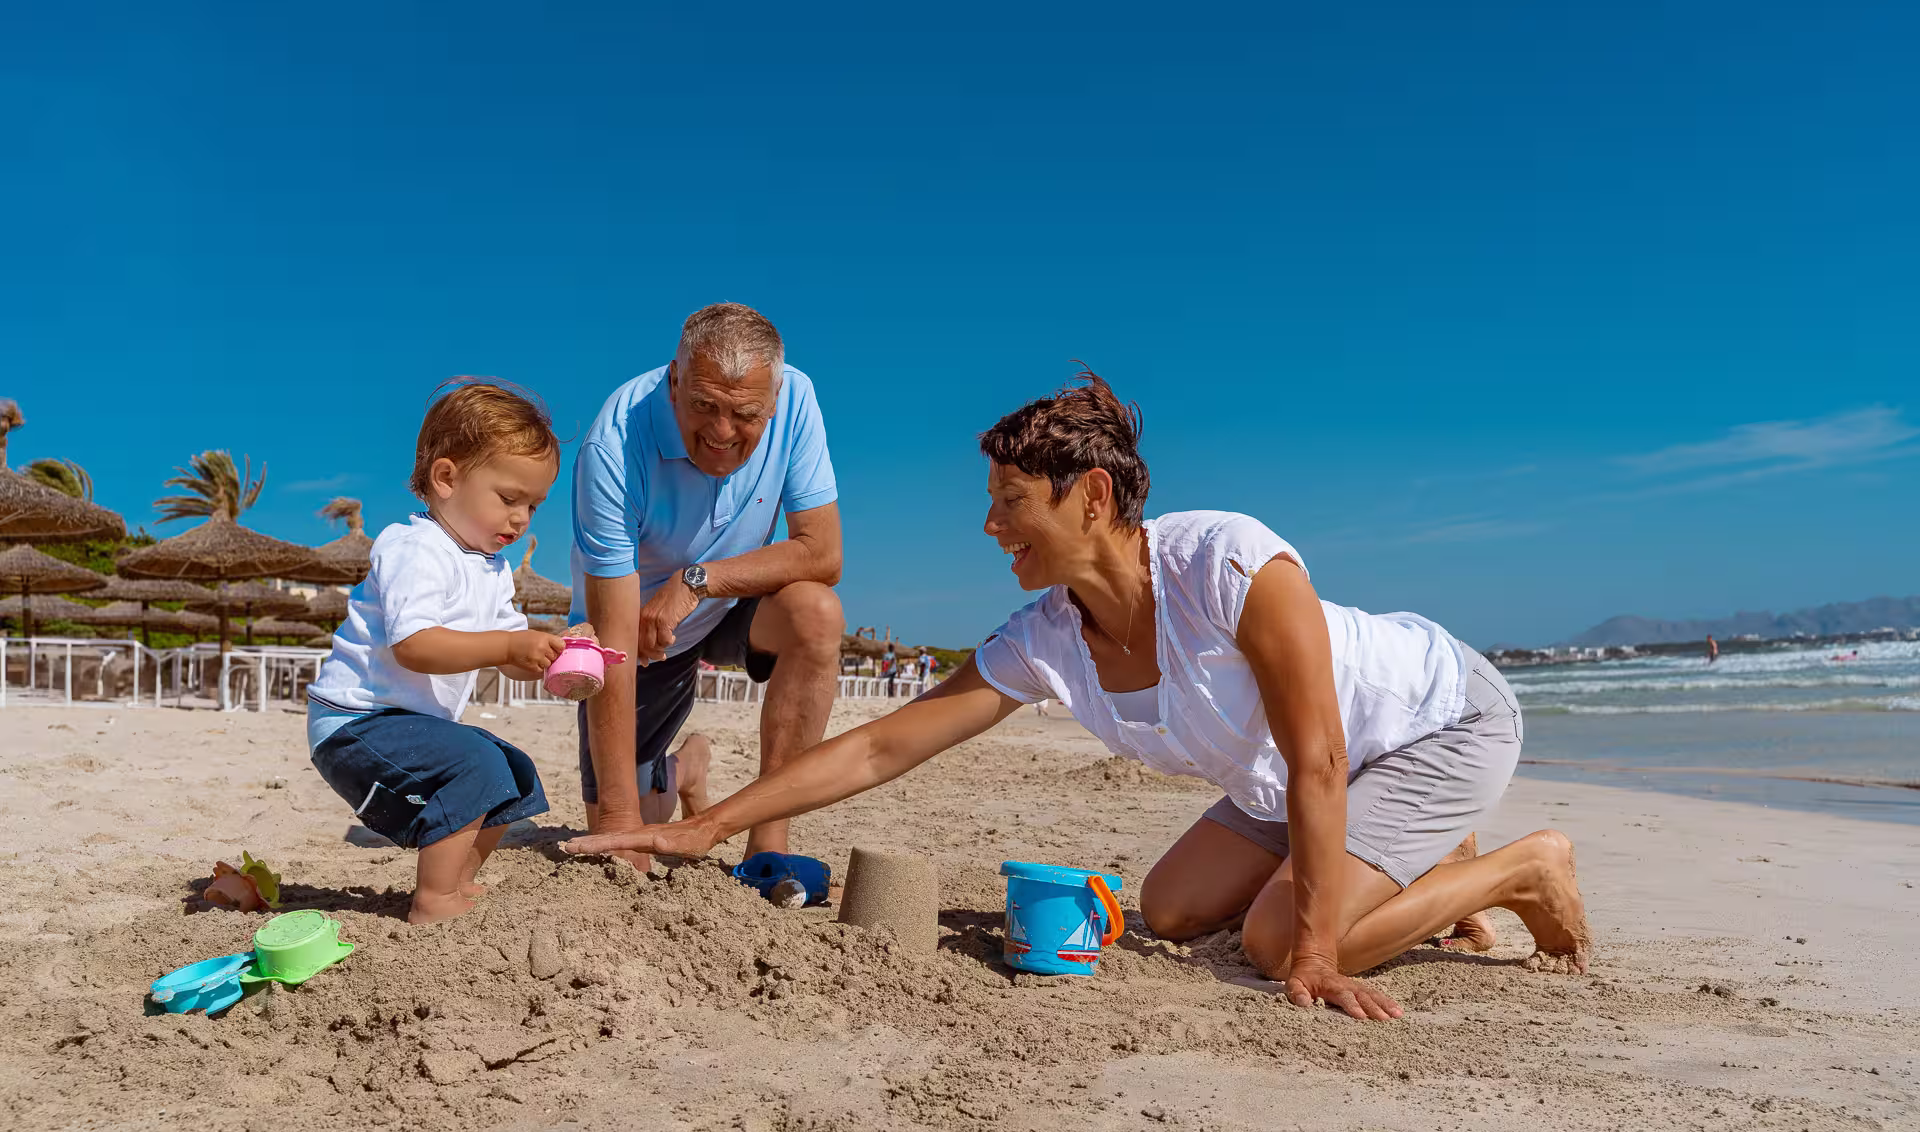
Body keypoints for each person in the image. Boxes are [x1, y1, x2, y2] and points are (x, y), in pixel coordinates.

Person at [566, 368, 1591, 1020]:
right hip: (1297, 776)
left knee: (1281, 940)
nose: (989, 526)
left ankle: (1518, 869)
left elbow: (1322, 756)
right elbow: (885, 747)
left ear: (1092, 497)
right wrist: (713, 828)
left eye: (1010, 502)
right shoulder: (1049, 635)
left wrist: (1319, 950)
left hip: (1433, 723)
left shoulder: (1229, 563)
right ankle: (1425, 858)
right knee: (1173, 909)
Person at [571, 303, 844, 866]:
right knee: (632, 827)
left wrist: (698, 581)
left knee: (816, 611)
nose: (721, 433)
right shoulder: (615, 443)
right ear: (675, 380)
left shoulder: (797, 396)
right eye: (703, 406)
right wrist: (622, 827)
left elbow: (823, 552)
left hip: (727, 602)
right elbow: (614, 642)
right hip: (639, 631)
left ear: (774, 399)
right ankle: (684, 768)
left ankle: (768, 841)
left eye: (746, 414)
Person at [308, 381, 568, 924]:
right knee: (475, 761)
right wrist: (508, 644)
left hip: (406, 725)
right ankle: (433, 899)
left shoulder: (491, 569)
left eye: (534, 505)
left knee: (514, 771)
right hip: (356, 722)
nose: (521, 519)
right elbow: (415, 647)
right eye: (508, 498)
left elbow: (510, 655)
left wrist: (558, 651)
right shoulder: (415, 547)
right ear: (446, 478)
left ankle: (457, 881)